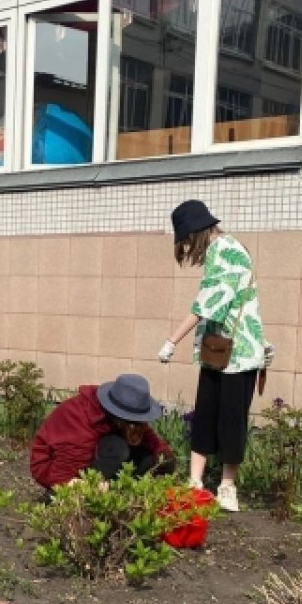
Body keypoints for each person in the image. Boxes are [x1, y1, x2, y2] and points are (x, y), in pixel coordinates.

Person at [157, 200, 273, 512]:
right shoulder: (225, 247)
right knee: (208, 414)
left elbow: (209, 304)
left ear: (193, 234)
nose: (186, 250)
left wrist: (172, 341)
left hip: (237, 354)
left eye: (184, 243)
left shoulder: (224, 250)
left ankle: (226, 486)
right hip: (222, 350)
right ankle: (196, 481)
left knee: (229, 420)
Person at [31, 374, 175, 491]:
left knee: (149, 457)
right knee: (118, 447)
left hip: (94, 457)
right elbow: (66, 468)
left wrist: (165, 457)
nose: (136, 425)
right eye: (132, 422)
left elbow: (151, 441)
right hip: (55, 468)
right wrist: (90, 485)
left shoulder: (122, 419)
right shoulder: (80, 415)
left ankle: (121, 494)